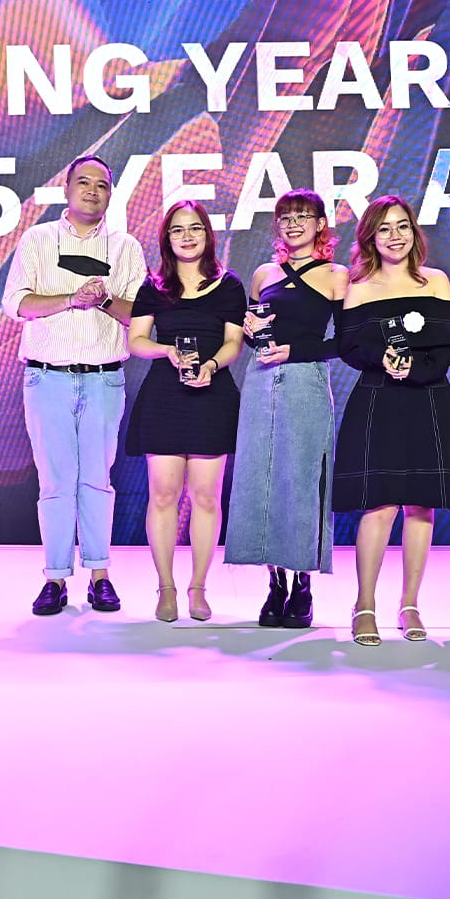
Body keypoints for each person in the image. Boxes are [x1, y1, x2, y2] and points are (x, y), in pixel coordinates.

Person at [1, 155, 147, 616]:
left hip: (103, 378)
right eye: (83, 182)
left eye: (101, 185)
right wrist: (70, 298)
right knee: (56, 481)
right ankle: (56, 578)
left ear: (110, 194)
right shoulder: (38, 239)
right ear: (66, 189)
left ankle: (100, 575)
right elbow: (16, 304)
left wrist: (101, 299)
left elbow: (139, 316)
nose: (92, 191)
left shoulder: (125, 247)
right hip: (47, 377)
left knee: (97, 480)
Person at [332, 195, 450, 646]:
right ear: (370, 237)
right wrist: (383, 360)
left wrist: (418, 369)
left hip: (429, 398)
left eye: (402, 226)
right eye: (384, 228)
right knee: (380, 504)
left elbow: (449, 346)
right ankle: (364, 605)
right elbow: (350, 347)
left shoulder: (436, 280)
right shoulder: (359, 285)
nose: (395, 235)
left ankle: (410, 604)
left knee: (421, 505)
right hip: (379, 399)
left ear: (414, 232)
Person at [224, 190, 348, 627]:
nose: (293, 224)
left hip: (306, 380)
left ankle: (302, 584)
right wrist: (251, 329)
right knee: (261, 477)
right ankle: (275, 583)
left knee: (300, 479)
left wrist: (295, 351)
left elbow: (345, 342)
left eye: (303, 216)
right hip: (260, 382)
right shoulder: (264, 273)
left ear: (320, 224)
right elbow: (255, 335)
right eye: (285, 217)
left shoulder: (336, 276)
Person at [126, 201, 245, 623]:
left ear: (207, 235)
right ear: (167, 238)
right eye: (178, 229)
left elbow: (234, 343)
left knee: (206, 497)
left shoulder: (228, 285)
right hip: (165, 397)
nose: (187, 236)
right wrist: (166, 351)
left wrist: (210, 365)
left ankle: (198, 587)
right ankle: (166, 587)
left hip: (212, 397)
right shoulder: (153, 286)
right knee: (163, 494)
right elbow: (136, 340)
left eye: (195, 228)